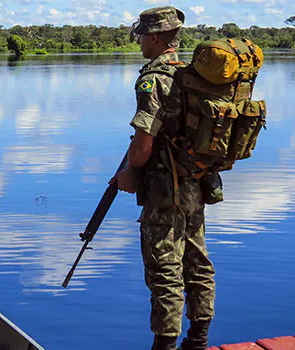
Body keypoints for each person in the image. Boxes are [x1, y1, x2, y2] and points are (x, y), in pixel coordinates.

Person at [109, 6, 216, 350]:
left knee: (164, 268)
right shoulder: (189, 74)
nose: (139, 41)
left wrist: (129, 173)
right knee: (197, 260)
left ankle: (164, 345)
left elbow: (142, 145)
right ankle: (198, 339)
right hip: (196, 183)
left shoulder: (152, 79)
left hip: (163, 190)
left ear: (154, 37)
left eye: (141, 35)